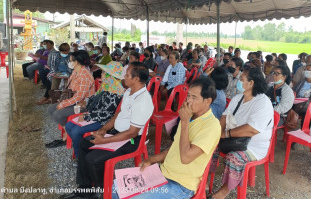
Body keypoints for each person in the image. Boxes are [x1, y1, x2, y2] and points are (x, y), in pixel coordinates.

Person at [112, 78, 221, 199]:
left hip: (181, 185)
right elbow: (174, 148)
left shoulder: (212, 126)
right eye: (188, 95)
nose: (188, 100)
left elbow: (185, 157)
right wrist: (151, 160)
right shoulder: (189, 116)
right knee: (114, 189)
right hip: (162, 173)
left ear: (207, 101)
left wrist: (184, 122)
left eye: (194, 98)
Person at [60, 62, 153, 199]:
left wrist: (105, 140)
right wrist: (103, 130)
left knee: (93, 158)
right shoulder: (129, 91)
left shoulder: (143, 101)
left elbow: (132, 133)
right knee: (84, 143)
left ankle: (103, 191)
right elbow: (117, 115)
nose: (123, 77)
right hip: (118, 132)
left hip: (132, 140)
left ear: (136, 79)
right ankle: (85, 188)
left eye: (126, 75)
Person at [210, 68, 274, 199]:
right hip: (233, 140)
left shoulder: (263, 102)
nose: (238, 81)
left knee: (234, 157)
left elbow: (251, 129)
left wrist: (225, 134)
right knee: (209, 145)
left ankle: (223, 192)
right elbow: (224, 117)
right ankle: (205, 181)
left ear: (251, 83)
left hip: (253, 147)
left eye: (241, 79)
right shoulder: (238, 97)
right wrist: (218, 133)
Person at [65, 61, 125, 159]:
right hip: (94, 115)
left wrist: (86, 116)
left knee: (76, 131)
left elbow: (107, 113)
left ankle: (80, 156)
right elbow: (95, 98)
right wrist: (86, 102)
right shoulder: (106, 86)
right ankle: (81, 148)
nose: (102, 74)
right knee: (68, 125)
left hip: (104, 121)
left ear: (110, 75)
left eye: (104, 73)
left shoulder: (116, 92)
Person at [46, 50, 95, 148]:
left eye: (71, 60)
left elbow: (79, 97)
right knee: (51, 109)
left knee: (58, 114)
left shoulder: (85, 76)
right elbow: (70, 90)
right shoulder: (75, 72)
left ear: (76, 62)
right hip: (74, 101)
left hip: (83, 104)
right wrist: (63, 99)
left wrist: (63, 104)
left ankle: (67, 135)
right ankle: (68, 132)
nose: (69, 62)